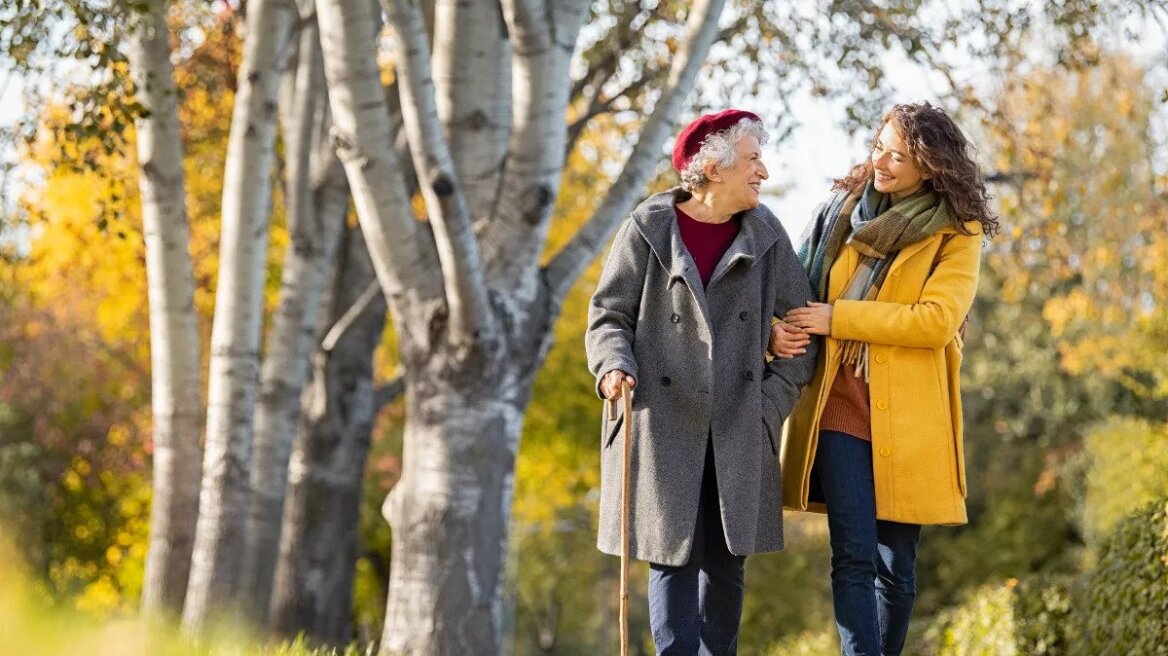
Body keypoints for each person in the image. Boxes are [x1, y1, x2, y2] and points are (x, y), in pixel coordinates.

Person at [769, 101, 1000, 656]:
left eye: (899, 155)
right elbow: (796, 292)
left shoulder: (956, 233)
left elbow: (935, 321)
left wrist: (840, 318)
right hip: (837, 403)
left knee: (897, 567)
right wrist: (781, 327)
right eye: (879, 147)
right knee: (852, 554)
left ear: (932, 165)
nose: (882, 162)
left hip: (912, 417)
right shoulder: (841, 214)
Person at [585, 109, 818, 654]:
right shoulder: (648, 228)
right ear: (713, 168)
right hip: (660, 424)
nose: (763, 170)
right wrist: (613, 366)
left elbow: (805, 328)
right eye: (753, 158)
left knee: (726, 567)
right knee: (671, 561)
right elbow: (607, 318)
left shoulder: (767, 235)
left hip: (738, 423)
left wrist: (769, 405)